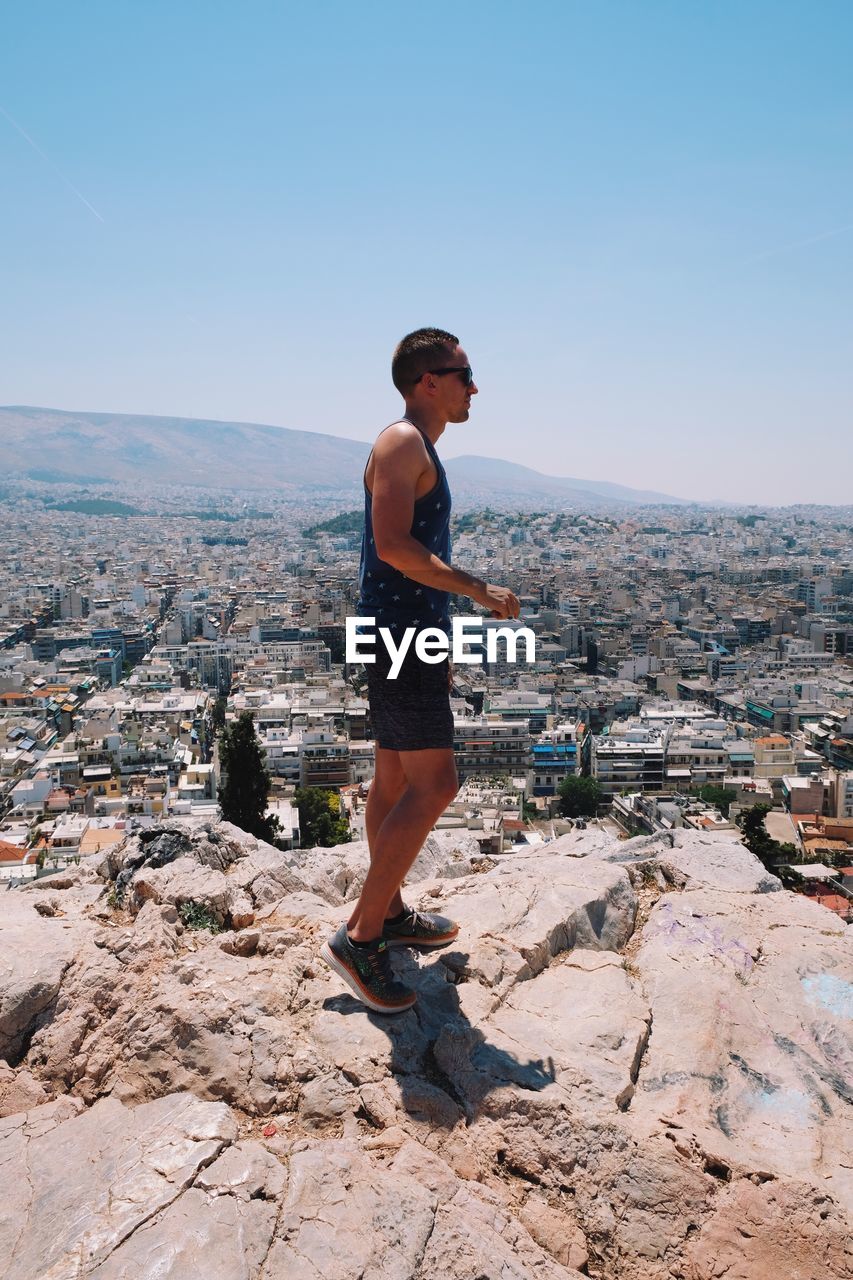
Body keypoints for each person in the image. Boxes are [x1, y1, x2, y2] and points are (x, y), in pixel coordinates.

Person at [321, 328, 520, 1013]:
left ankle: (393, 911)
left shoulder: (416, 444)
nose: (474, 385)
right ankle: (361, 934)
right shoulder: (402, 441)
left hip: (407, 631)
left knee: (395, 776)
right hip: (400, 630)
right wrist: (476, 590)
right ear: (425, 381)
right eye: (462, 373)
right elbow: (393, 544)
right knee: (436, 783)